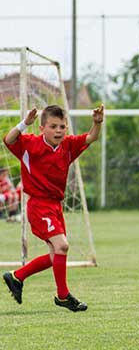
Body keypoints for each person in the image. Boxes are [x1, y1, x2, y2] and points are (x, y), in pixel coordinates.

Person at [2, 104, 104, 312]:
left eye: (62, 126)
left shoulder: (68, 145)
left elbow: (91, 137)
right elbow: (8, 140)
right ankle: (63, 295)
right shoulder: (30, 144)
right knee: (62, 246)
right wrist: (24, 124)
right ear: (42, 129)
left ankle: (17, 277)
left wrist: (97, 122)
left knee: (55, 255)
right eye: (53, 126)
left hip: (55, 206)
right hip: (39, 205)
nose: (58, 130)